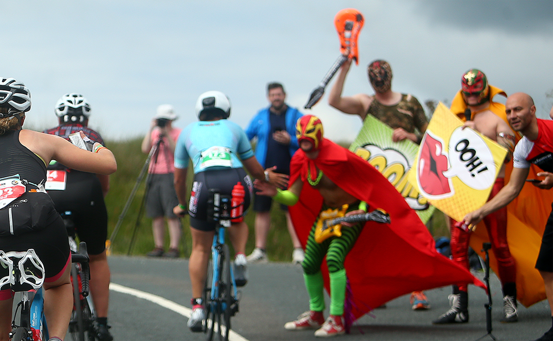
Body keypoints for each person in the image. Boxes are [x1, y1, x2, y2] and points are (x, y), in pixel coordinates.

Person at [255, 115, 482, 337]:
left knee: (334, 258)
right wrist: (275, 193)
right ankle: (316, 313)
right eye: (302, 143)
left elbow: (365, 185)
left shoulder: (339, 156)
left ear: (318, 138)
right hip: (327, 215)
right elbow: (293, 197)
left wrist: (361, 210)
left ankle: (337, 319)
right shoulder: (300, 160)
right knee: (310, 262)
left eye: (309, 143)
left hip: (352, 213)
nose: (306, 148)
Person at [0, 78, 116, 341]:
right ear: (23, 116)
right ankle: (56, 338)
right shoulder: (44, 141)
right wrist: (90, 142)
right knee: (59, 282)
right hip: (41, 226)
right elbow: (108, 164)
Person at [173, 91, 285, 332]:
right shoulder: (234, 128)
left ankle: (198, 307)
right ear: (226, 110)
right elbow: (255, 170)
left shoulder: (187, 132)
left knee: (200, 247)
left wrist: (182, 205)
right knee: (237, 218)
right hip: (236, 179)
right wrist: (267, 176)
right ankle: (241, 255)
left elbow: (179, 179)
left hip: (203, 181)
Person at [328, 58, 432, 310]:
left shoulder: (410, 102)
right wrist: (344, 69)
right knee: (369, 231)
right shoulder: (367, 102)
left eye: (382, 78)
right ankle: (372, 290)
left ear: (390, 76)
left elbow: (430, 137)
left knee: (412, 232)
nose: (379, 83)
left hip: (406, 178)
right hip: (375, 176)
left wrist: (411, 135)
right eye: (374, 79)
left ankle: (416, 290)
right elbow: (334, 101)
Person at [462, 93, 553, 340]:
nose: (512, 116)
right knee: (547, 266)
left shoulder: (552, 130)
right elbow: (511, 189)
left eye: (518, 110)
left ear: (532, 110)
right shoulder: (523, 148)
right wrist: (480, 211)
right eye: (509, 111)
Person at [435, 69, 519, 324]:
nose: (471, 97)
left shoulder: (499, 118)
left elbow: (508, 151)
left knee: (500, 246)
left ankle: (510, 302)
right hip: (462, 191)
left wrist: (478, 138)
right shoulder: (453, 118)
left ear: (485, 90)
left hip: (493, 188)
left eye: (475, 92)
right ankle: (459, 307)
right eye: (467, 93)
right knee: (457, 247)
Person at [42, 93, 115, 340]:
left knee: (41, 256)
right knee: (96, 257)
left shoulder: (46, 133)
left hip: (50, 190)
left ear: (58, 116)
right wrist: (98, 198)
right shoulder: (91, 136)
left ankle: (40, 320)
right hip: (85, 190)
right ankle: (102, 324)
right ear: (85, 117)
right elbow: (103, 176)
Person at [245, 82, 304, 264]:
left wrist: (291, 140)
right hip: (265, 172)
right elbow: (246, 136)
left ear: (284, 95)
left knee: (292, 209)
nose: (276, 98)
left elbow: (307, 137)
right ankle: (260, 250)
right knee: (261, 210)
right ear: (268, 97)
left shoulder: (295, 115)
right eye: (272, 95)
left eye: (278, 94)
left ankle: (298, 250)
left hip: (290, 170)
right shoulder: (261, 116)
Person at [142, 104, 183, 258]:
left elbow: (177, 151)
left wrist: (167, 135)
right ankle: (158, 246)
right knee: (156, 212)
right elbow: (145, 149)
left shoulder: (178, 133)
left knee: (172, 212)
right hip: (154, 173)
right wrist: (151, 129)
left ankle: (174, 247)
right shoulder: (155, 134)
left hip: (170, 173)